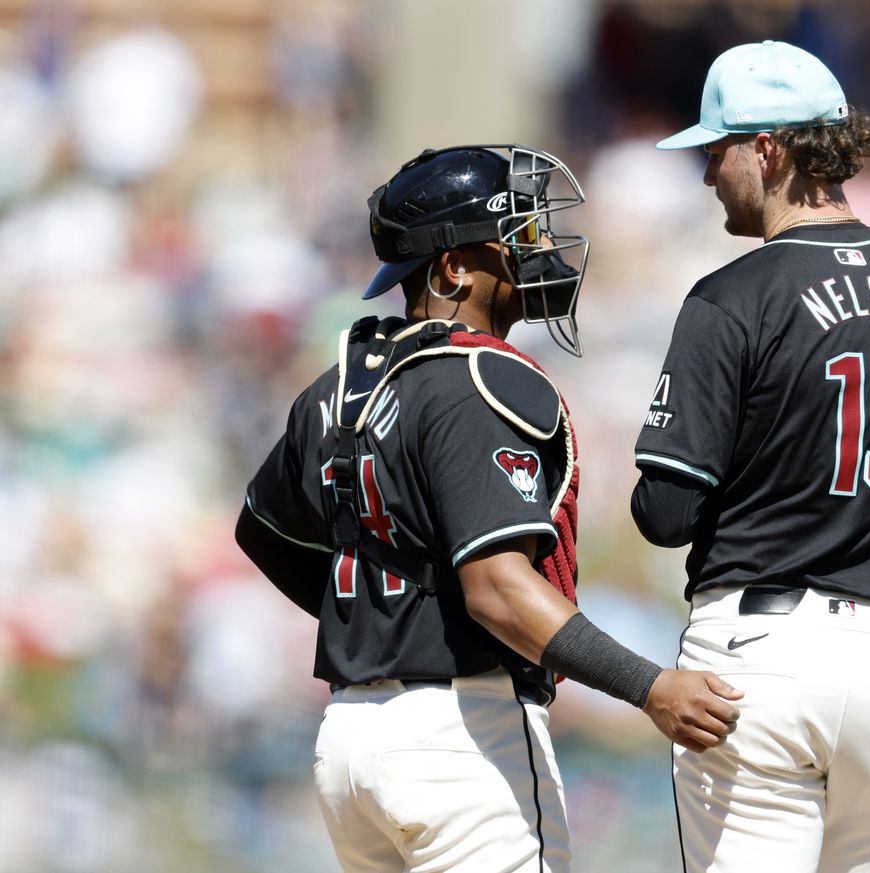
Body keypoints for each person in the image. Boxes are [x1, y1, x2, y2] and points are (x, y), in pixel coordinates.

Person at [235, 144, 742, 873]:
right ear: (451, 269)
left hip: (350, 739)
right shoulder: (478, 377)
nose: (535, 249)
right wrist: (650, 686)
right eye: (515, 235)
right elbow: (498, 588)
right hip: (462, 738)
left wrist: (385, 620)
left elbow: (265, 531)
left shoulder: (335, 387)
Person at [631, 42, 870, 873]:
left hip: (761, 663)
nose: (707, 175)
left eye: (716, 150)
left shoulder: (729, 297)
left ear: (767, 149)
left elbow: (665, 514)